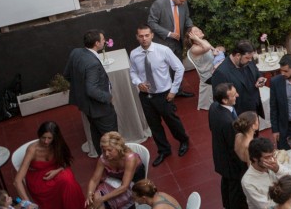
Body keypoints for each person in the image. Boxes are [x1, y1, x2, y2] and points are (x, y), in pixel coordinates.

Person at [129, 25, 190, 166]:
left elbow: (179, 68)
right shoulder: (134, 54)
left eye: (146, 35)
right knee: (154, 125)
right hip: (145, 96)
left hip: (164, 94)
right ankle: (164, 150)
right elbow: (133, 72)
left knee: (172, 121)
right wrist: (138, 83)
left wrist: (174, 90)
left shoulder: (163, 50)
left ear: (151, 35)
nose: (144, 38)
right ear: (137, 37)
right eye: (141, 36)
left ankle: (183, 141)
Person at [13, 121, 85, 209]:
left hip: (56, 170)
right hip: (39, 179)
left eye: (49, 138)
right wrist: (28, 204)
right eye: (43, 137)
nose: (46, 141)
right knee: (67, 181)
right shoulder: (32, 149)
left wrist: (57, 170)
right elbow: (17, 181)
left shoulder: (57, 144)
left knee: (68, 181)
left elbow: (66, 162)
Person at [63, 29, 117, 155]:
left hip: (87, 106)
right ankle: (115, 162)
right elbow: (92, 90)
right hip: (99, 108)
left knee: (96, 132)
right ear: (97, 43)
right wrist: (107, 97)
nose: (104, 41)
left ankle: (102, 159)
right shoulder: (93, 63)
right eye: (103, 40)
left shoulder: (75, 52)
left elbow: (67, 75)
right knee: (111, 138)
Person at [209, 83, 251, 209]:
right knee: (236, 191)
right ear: (225, 100)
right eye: (233, 95)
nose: (237, 96)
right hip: (231, 161)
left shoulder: (214, 107)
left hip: (220, 156)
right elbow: (235, 147)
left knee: (226, 184)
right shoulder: (229, 123)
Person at [86, 132, 142, 209]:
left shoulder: (130, 158)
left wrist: (102, 199)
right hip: (114, 182)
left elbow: (124, 186)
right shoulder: (103, 158)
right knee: (96, 195)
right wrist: (89, 193)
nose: (106, 154)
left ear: (118, 148)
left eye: (110, 150)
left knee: (102, 199)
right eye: (104, 150)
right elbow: (94, 180)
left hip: (133, 183)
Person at [241, 138, 282, 209]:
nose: (271, 159)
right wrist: (286, 202)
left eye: (272, 155)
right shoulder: (248, 181)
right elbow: (265, 206)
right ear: (254, 158)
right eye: (267, 157)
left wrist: (278, 169)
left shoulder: (272, 165)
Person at [210, 41, 264, 116]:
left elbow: (256, 71)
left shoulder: (248, 60)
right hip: (239, 115)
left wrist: (260, 78)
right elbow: (219, 100)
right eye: (247, 58)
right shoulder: (221, 73)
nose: (250, 60)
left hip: (254, 107)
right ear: (238, 55)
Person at [147, 0, 194, 65]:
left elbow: (186, 18)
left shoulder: (184, 3)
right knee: (167, 69)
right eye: (181, 1)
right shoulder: (159, 4)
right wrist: (169, 34)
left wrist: (192, 27)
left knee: (179, 67)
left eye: (184, 1)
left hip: (179, 42)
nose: (182, 3)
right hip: (164, 43)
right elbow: (151, 23)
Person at [186, 26, 225, 111]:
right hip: (208, 75)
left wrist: (216, 53)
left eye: (199, 29)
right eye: (196, 31)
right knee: (231, 74)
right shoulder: (194, 49)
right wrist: (197, 39)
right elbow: (207, 48)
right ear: (192, 36)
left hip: (216, 69)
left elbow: (214, 50)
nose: (200, 30)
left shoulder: (204, 41)